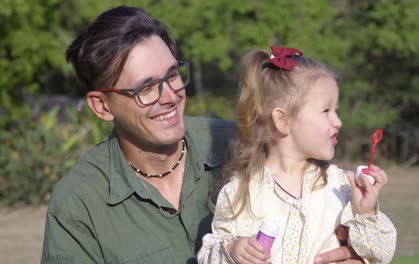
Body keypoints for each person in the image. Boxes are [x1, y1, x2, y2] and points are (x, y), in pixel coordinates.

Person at [41, 6, 366, 264]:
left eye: (172, 75)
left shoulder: (246, 144)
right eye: (146, 88)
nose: (170, 95)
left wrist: (354, 254)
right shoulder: (79, 204)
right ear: (102, 106)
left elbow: (334, 218)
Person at [197, 47, 397, 264]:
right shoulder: (240, 191)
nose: (338, 121)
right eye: (326, 111)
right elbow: (208, 255)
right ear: (283, 120)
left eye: (336, 110)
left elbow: (381, 254)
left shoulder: (339, 186)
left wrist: (365, 213)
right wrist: (233, 249)